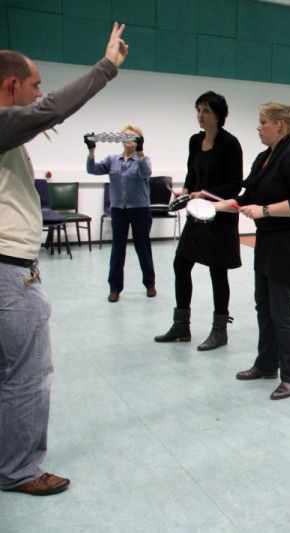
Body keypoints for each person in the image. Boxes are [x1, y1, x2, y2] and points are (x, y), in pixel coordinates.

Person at [0, 22, 128, 496]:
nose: (39, 93)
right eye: (34, 85)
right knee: (27, 376)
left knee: (9, 372)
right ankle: (19, 470)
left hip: (10, 267)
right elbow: (51, 109)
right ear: (11, 84)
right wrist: (106, 67)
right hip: (9, 272)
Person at [226, 102, 290, 400]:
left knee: (282, 310)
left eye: (263, 121)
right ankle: (266, 364)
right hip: (269, 240)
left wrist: (264, 210)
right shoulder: (264, 157)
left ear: (280, 125)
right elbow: (247, 196)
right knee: (263, 305)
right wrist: (210, 202)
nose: (258, 127)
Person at [154, 92, 243, 351]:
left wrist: (204, 193)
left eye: (206, 111)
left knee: (218, 272)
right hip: (197, 215)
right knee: (181, 264)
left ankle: (220, 331)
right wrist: (185, 192)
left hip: (220, 216)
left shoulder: (230, 144)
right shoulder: (195, 141)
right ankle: (181, 326)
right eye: (198, 110)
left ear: (219, 115)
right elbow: (191, 174)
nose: (200, 116)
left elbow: (234, 184)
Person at [85, 124, 155, 303]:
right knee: (117, 249)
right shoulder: (112, 160)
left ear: (138, 140)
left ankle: (149, 284)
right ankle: (115, 288)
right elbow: (92, 170)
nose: (128, 139)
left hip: (140, 210)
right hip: (118, 210)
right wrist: (91, 151)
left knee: (143, 248)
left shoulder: (144, 159)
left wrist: (140, 152)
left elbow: (146, 173)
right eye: (126, 136)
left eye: (133, 137)